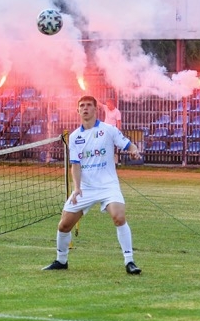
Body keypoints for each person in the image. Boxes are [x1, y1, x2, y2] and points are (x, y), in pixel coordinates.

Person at [42, 95, 142, 274]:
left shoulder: (108, 130)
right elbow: (76, 165)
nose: (85, 108)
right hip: (85, 188)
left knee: (118, 217)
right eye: (82, 106)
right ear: (78, 110)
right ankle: (61, 260)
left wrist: (134, 151)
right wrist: (77, 188)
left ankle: (130, 261)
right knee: (64, 225)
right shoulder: (74, 137)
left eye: (89, 105)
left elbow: (128, 144)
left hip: (108, 186)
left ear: (96, 109)